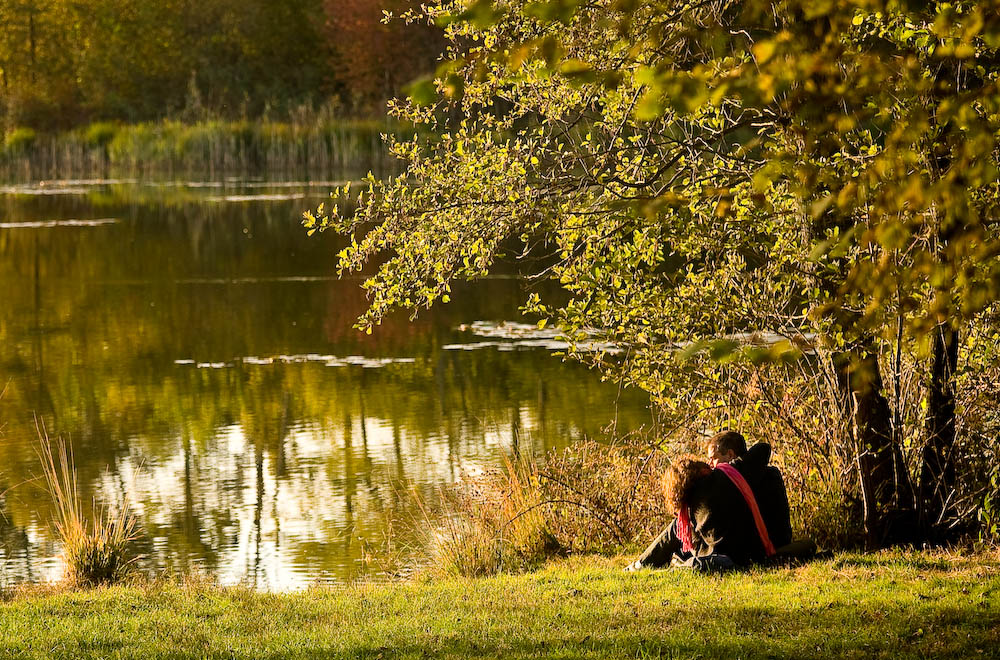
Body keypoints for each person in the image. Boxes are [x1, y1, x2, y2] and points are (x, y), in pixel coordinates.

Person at [625, 441, 777, 570]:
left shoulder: (688, 506)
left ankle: (639, 565)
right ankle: (646, 564)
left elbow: (671, 538)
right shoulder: (727, 474)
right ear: (702, 469)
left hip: (724, 557)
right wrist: (729, 466)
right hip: (751, 552)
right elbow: (763, 448)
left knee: (676, 530)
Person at [706, 431, 793, 549]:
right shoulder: (751, 473)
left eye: (714, 458)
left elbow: (763, 447)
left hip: (767, 545)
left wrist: (730, 468)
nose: (710, 464)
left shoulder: (755, 474)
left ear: (730, 454)